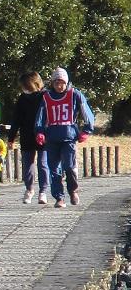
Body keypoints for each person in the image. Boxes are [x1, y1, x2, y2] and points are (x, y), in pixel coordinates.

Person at [35, 67, 95, 208]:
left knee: (69, 166)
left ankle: (73, 190)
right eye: (56, 83)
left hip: (69, 137)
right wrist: (39, 132)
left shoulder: (75, 94)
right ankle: (59, 197)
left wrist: (86, 130)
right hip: (52, 138)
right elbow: (40, 117)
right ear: (52, 83)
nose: (59, 86)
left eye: (62, 82)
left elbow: (87, 113)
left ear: (66, 82)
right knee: (54, 170)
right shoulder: (46, 97)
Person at [7, 71, 49, 205]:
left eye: (26, 86)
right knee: (27, 164)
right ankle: (29, 189)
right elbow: (16, 119)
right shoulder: (22, 98)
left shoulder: (46, 96)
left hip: (43, 135)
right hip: (26, 135)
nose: (24, 89)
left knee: (43, 164)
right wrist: (11, 138)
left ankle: (43, 191)